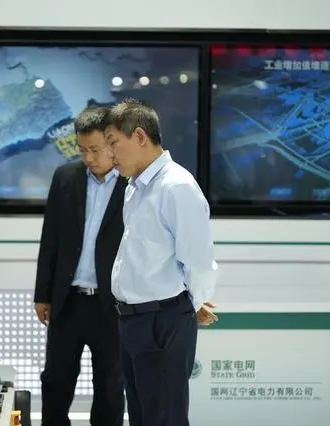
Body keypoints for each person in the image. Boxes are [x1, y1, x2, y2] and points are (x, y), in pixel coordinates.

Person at [104, 98, 219, 426]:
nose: (110, 154)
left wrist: (186, 305)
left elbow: (198, 261)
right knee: (142, 416)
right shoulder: (134, 187)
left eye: (113, 143)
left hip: (162, 321)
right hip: (133, 320)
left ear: (140, 136)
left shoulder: (176, 186)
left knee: (164, 418)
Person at [34, 107, 127, 426]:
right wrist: (42, 294)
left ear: (112, 143)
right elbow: (51, 239)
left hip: (112, 305)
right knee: (55, 382)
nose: (88, 158)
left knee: (110, 388)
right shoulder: (65, 177)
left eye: (95, 150)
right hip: (68, 301)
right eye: (82, 149)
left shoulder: (133, 183)